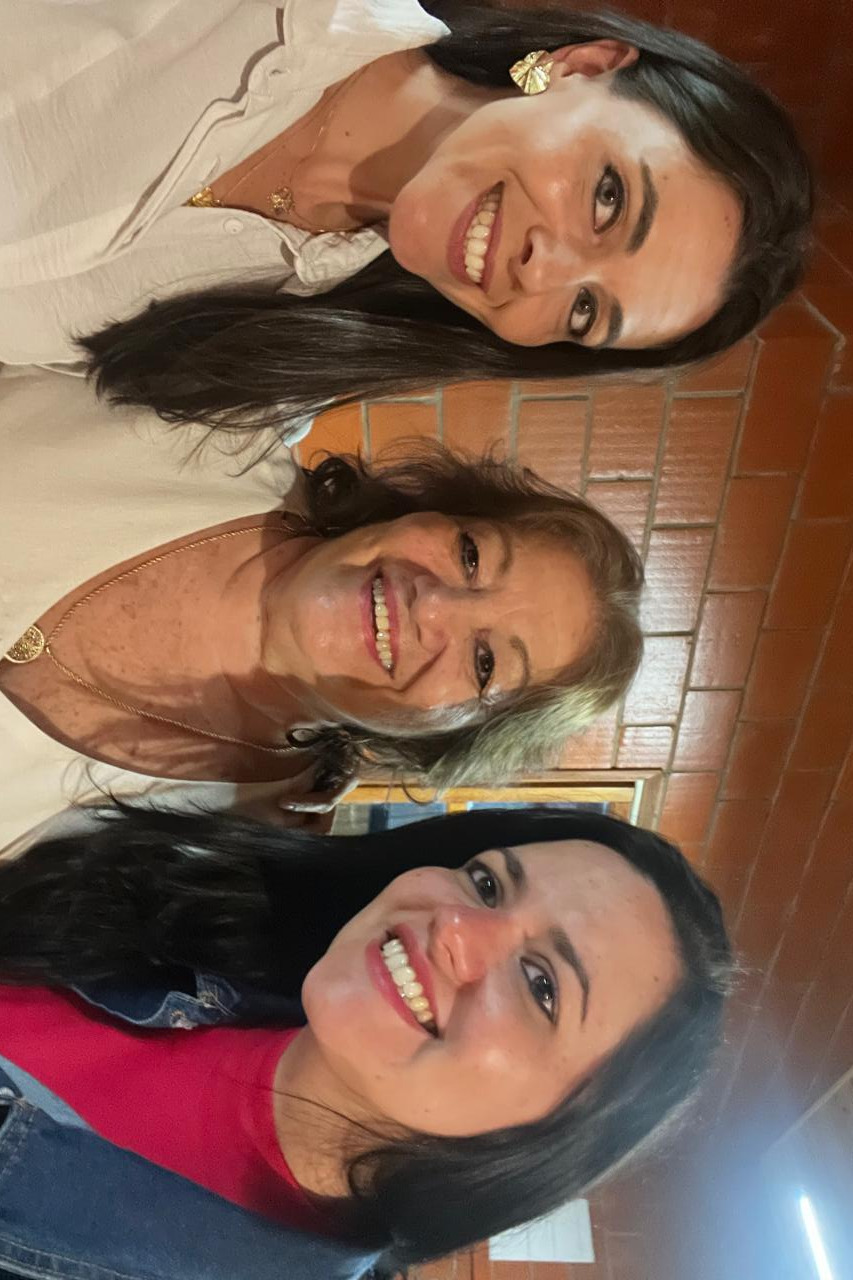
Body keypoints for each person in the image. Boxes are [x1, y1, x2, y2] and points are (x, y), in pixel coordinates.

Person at [2, 0, 811, 439]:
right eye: (608, 198)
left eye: (583, 311)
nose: (543, 269)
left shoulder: (262, 358)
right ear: (581, 66)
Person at [0, 803, 734, 1277]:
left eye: (542, 985)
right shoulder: (190, 916)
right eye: (487, 884)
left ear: (554, 1136)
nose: (455, 927)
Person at [0, 371, 642, 855]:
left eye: (484, 662)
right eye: (470, 555)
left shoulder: (216, 848)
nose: (433, 603)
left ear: (451, 736)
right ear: (436, 508)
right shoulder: (218, 407)